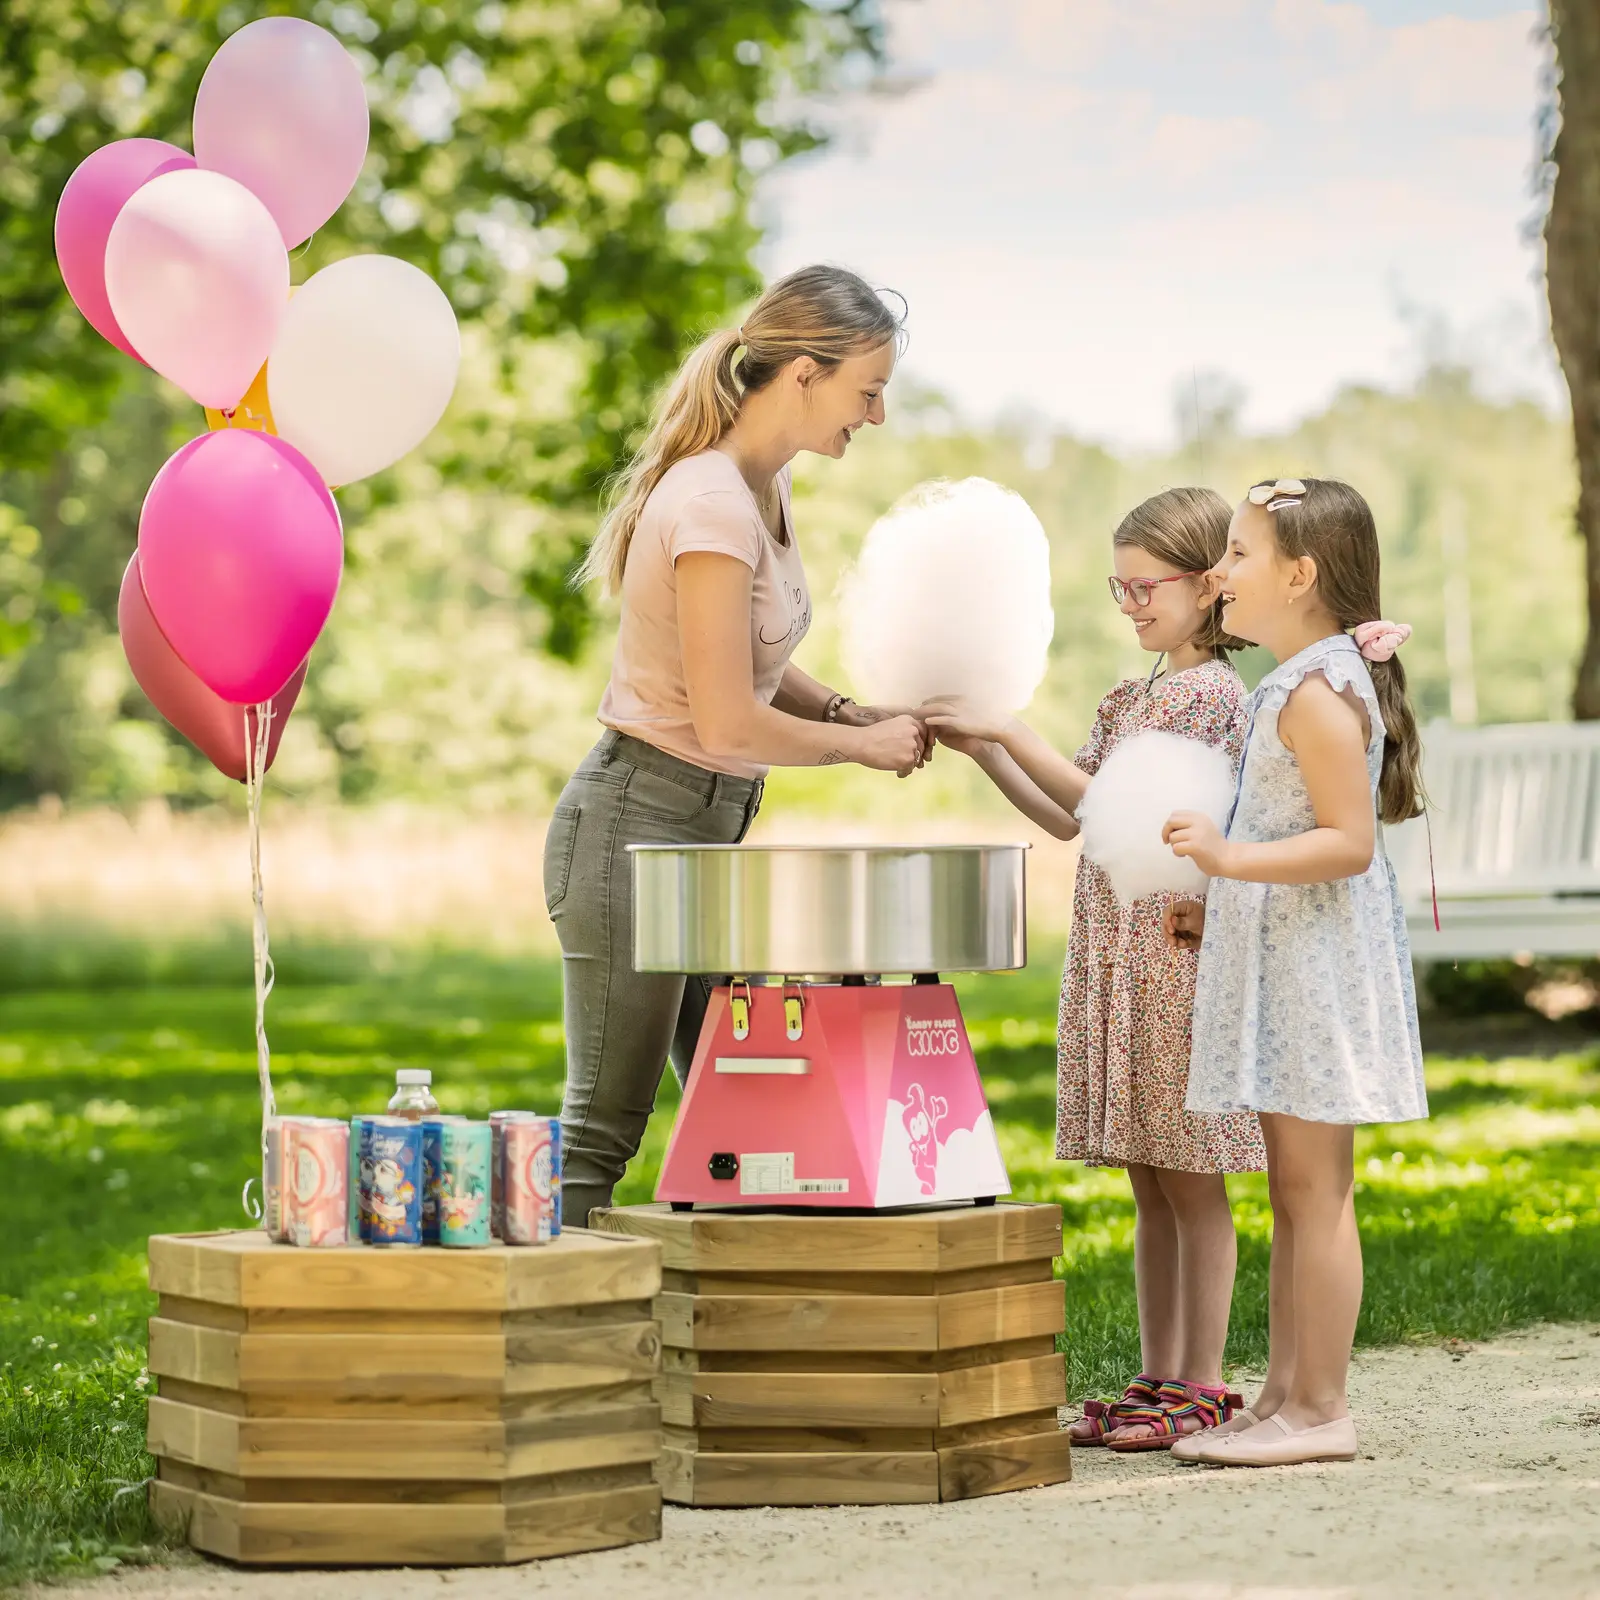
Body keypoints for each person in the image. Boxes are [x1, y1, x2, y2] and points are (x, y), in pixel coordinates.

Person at [546, 265, 927, 1226]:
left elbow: (754, 660)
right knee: (602, 1129)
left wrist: (849, 711)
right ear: (803, 372)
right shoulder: (712, 503)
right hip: (636, 826)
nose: (874, 416)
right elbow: (727, 722)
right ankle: (548, 1352)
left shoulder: (765, 484)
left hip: (701, 835)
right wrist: (862, 752)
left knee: (754, 1119)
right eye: (866, 392)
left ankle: (729, 1339)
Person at [922, 487, 1264, 1452]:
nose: (1131, 605)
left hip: (1174, 957)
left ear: (1207, 586)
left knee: (1193, 1178)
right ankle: (1158, 1376)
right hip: (1120, 952)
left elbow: (1132, 808)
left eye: (1144, 586)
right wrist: (987, 747)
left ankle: (1202, 1381)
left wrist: (1010, 726)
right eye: (1117, 589)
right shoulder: (1134, 694)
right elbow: (1073, 816)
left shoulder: (1212, 699)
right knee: (1148, 1179)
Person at [1162, 476, 1428, 1467]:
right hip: (1288, 961)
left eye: (1236, 552)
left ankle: (1320, 1407)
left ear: (1300, 573)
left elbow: (1347, 841)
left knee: (1314, 1193)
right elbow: (1290, 831)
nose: (1218, 572)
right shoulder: (1302, 679)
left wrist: (1227, 862)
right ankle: (1282, 1392)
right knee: (1293, 1188)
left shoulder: (1315, 691)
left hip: (1312, 971)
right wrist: (1222, 896)